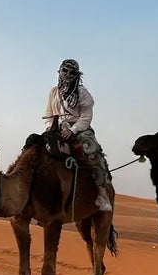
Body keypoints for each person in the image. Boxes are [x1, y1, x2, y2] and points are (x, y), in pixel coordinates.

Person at [44, 58, 113, 212]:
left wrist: (73, 130)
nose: (68, 74)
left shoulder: (82, 93)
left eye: (72, 72)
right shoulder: (54, 92)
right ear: (60, 71)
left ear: (77, 75)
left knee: (91, 151)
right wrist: (49, 127)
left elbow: (86, 118)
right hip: (57, 128)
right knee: (35, 146)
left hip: (79, 128)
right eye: (65, 70)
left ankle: (102, 195)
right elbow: (49, 113)